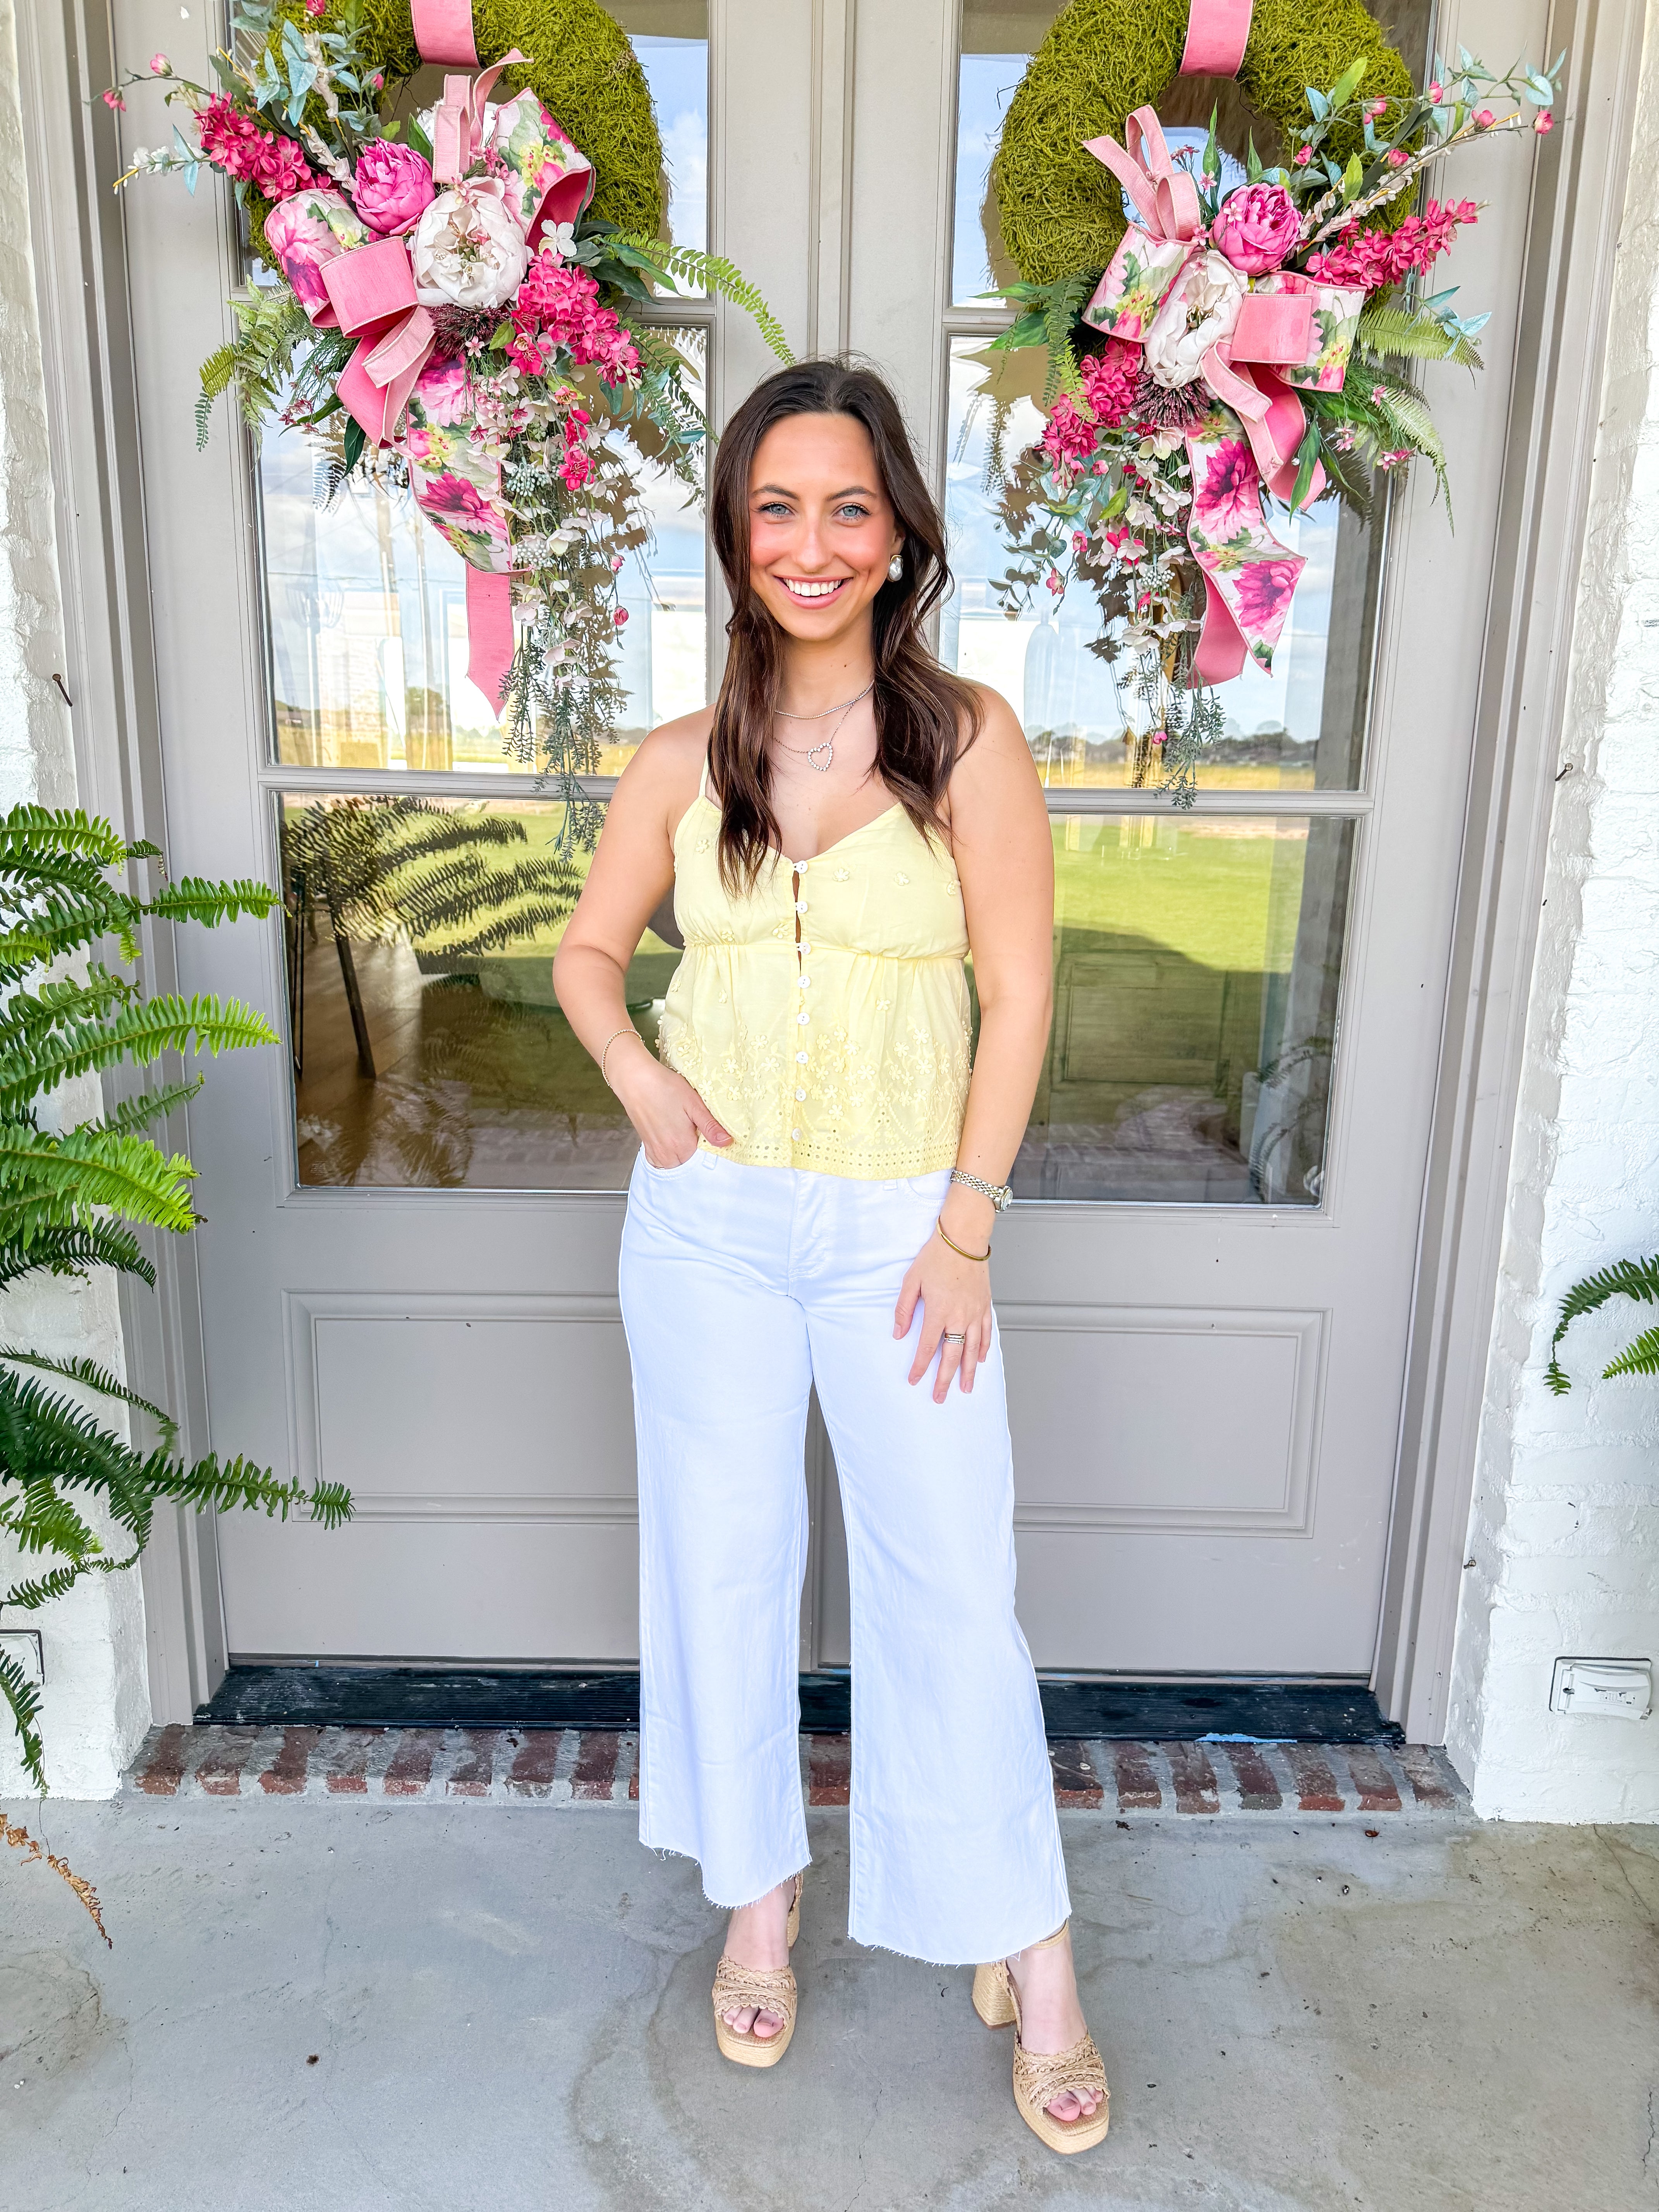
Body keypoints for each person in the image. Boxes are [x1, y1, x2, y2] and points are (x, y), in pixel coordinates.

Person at [552, 357, 1108, 2154]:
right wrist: (642, 1079)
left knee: (948, 1581)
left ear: (896, 539)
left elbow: (1021, 996)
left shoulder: (970, 747)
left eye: (846, 507)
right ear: (736, 532)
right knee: (723, 1565)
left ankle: (1033, 1956)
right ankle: (760, 1899)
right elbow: (583, 960)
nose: (810, 542)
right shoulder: (678, 761)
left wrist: (968, 1222)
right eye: (776, 507)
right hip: (709, 1229)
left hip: (902, 1228)